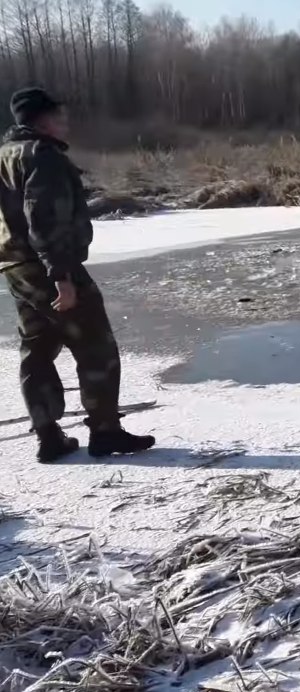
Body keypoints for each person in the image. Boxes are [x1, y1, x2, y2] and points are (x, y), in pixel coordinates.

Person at [0, 87, 155, 463]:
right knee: (96, 345)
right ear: (41, 119)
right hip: (46, 266)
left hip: (16, 265)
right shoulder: (42, 155)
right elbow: (44, 218)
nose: (65, 121)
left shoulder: (6, 154)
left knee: (37, 348)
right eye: (59, 115)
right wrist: (61, 276)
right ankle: (105, 432)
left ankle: (49, 437)